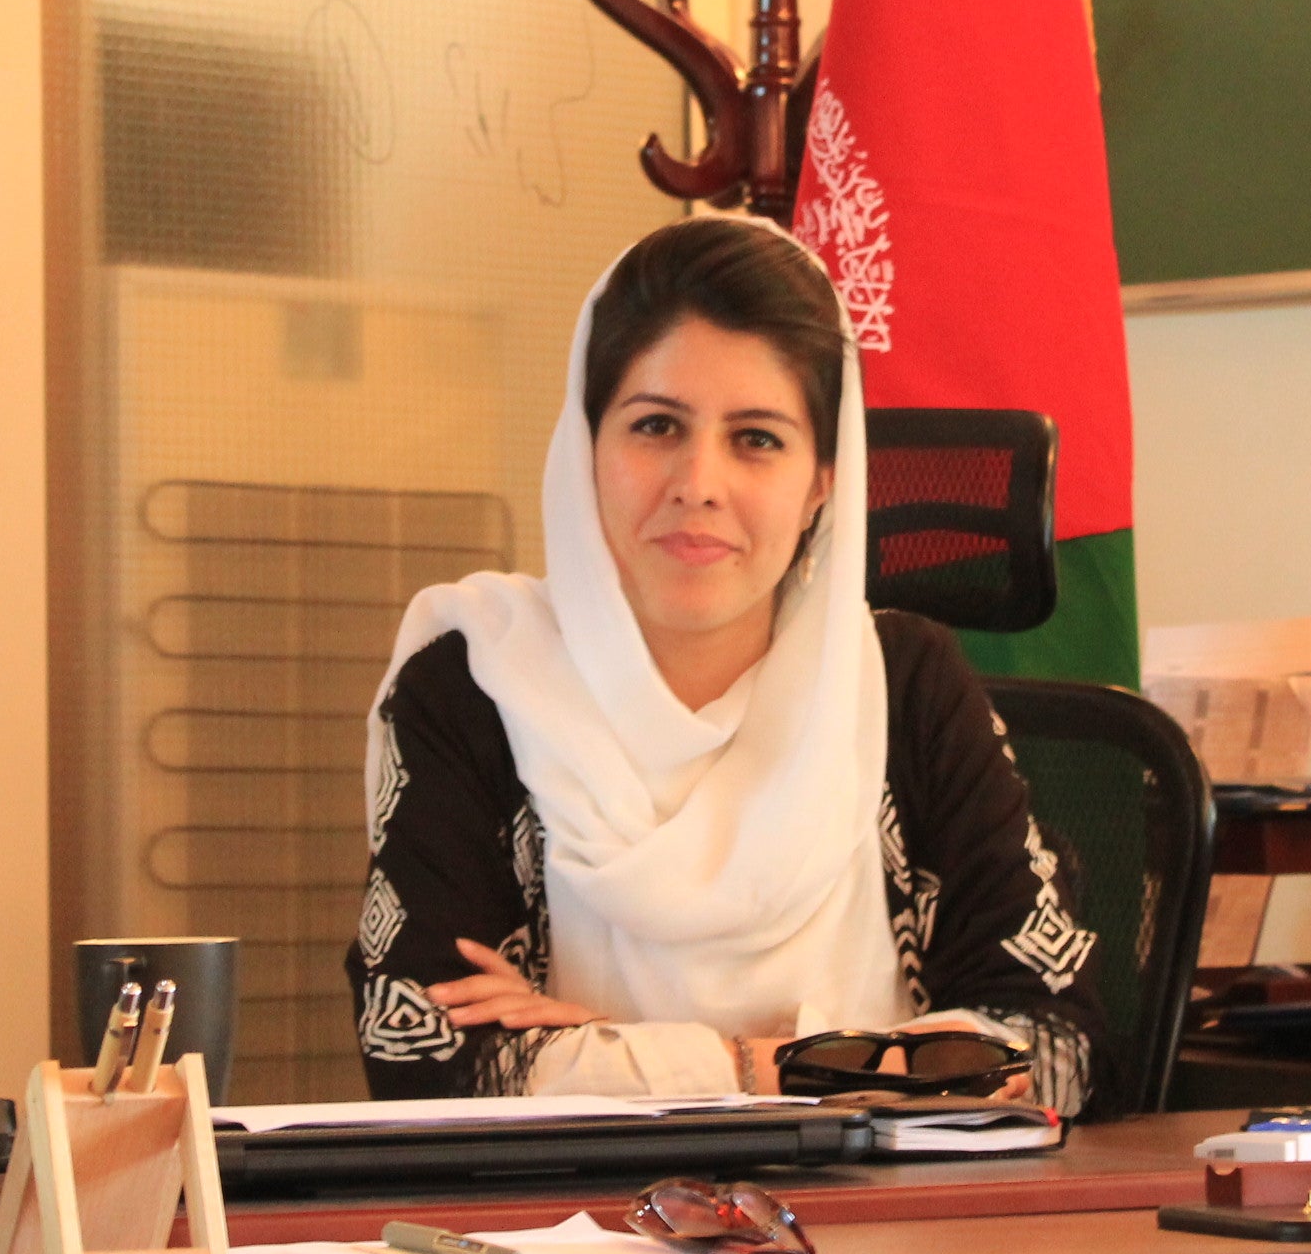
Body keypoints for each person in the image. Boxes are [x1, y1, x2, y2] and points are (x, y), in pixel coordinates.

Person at [347, 214, 1106, 1113]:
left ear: (825, 477)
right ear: (584, 447)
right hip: (569, 1239)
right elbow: (432, 1064)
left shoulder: (904, 687)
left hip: (888, 1231)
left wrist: (624, 1060)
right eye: (657, 425)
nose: (699, 482)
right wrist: (799, 1068)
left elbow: (1052, 1049)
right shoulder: (475, 683)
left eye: (757, 439)